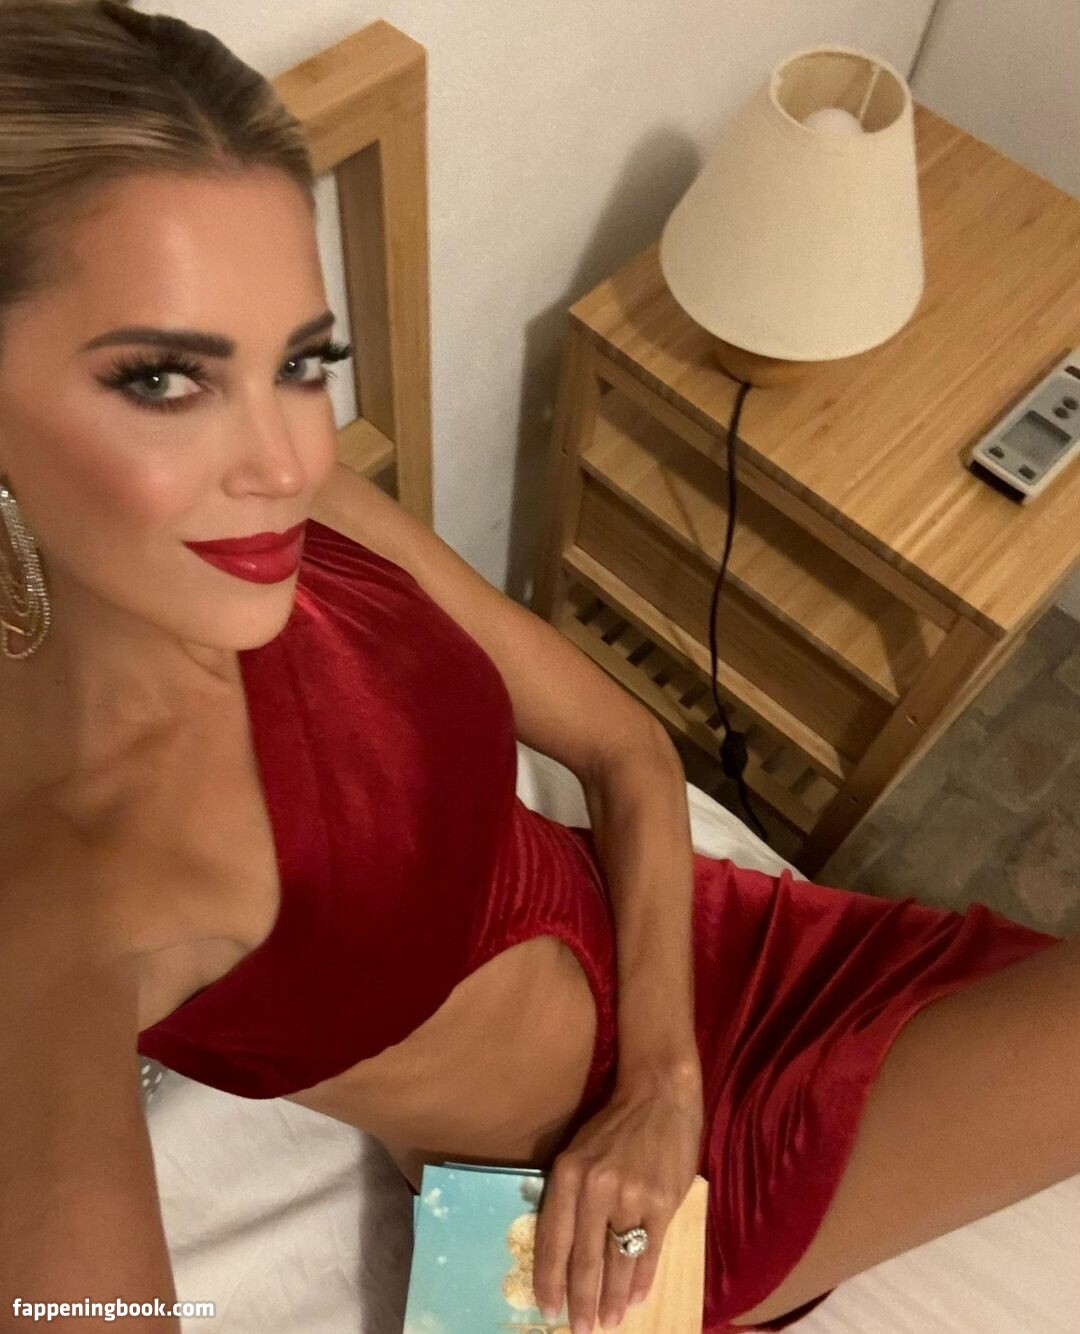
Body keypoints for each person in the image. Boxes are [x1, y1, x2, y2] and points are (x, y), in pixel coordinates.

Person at [0, 4, 1076, 1333]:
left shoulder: (301, 514)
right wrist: (665, 1119)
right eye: (166, 379)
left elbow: (626, 749)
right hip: (616, 1200)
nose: (287, 457)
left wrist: (663, 1076)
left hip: (714, 944)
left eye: (304, 362)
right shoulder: (64, 902)